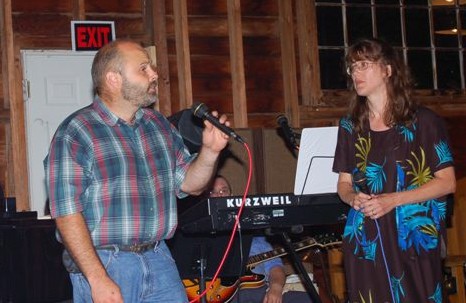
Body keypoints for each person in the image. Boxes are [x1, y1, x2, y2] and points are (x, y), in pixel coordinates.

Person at [44, 39, 230, 303]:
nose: (154, 74)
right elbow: (66, 213)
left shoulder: (159, 125)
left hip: (159, 258)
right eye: (143, 68)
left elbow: (191, 184)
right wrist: (98, 279)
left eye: (151, 67)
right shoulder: (77, 132)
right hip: (107, 261)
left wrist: (210, 152)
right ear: (113, 79)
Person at [332, 38, 456, 302]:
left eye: (364, 65)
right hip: (367, 238)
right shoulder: (350, 126)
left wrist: (393, 201)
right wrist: (353, 198)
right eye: (352, 67)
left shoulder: (424, 121)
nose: (356, 73)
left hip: (411, 235)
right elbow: (343, 185)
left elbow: (447, 183)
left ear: (388, 70)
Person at [208, 175, 313, 303]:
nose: (219, 195)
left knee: (307, 299)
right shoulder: (200, 235)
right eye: (213, 192)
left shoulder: (253, 234)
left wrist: (275, 288)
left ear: (231, 196)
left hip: (259, 294)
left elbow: (275, 267)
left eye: (223, 191)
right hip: (221, 296)